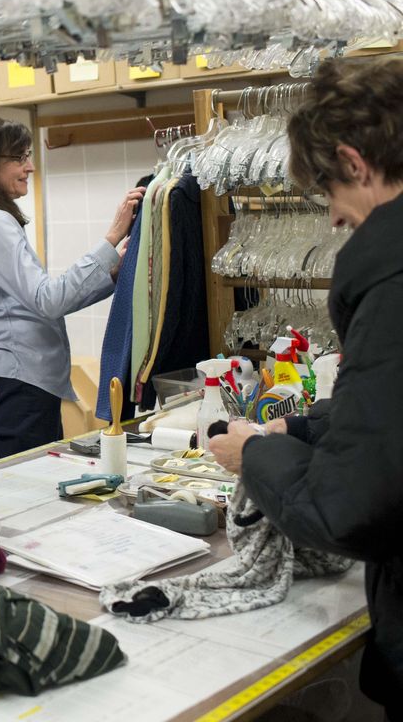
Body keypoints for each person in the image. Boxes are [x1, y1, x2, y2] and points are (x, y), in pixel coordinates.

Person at [210, 58, 403, 721]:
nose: (334, 217)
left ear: (354, 162)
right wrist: (300, 430)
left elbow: (348, 507)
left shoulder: (390, 276)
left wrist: (255, 457)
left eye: (326, 190)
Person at [0, 118, 143, 458]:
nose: (30, 167)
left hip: (24, 383)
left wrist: (111, 274)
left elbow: (46, 302)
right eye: (19, 158)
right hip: (20, 385)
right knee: (30, 494)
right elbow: (48, 300)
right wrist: (111, 237)